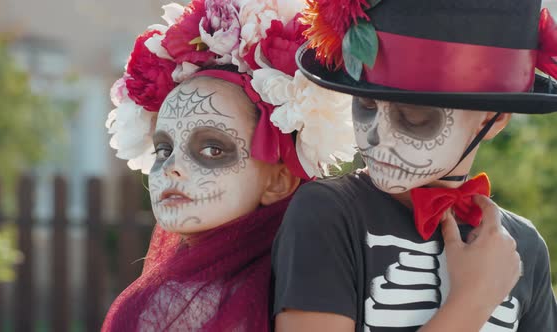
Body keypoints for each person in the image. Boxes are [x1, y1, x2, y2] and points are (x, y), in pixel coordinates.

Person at [272, 0, 557, 331]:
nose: (376, 136)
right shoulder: (328, 212)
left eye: (413, 117)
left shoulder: (524, 245)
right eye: (364, 104)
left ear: (492, 121)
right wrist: (475, 300)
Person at [101, 0, 355, 331]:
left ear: (278, 180)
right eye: (163, 149)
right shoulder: (154, 308)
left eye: (211, 149)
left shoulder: (318, 289)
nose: (171, 167)